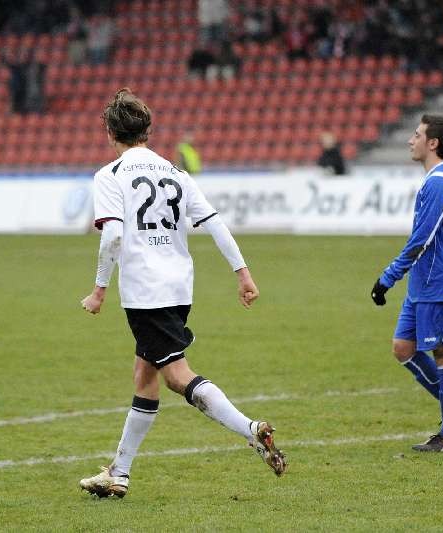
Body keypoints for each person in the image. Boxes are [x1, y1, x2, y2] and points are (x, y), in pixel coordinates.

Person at [78, 89, 287, 498]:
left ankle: (250, 430)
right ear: (148, 130)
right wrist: (242, 273)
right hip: (178, 287)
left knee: (176, 376)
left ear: (109, 131)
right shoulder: (176, 172)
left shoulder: (110, 175)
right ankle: (118, 473)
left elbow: (112, 238)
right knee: (146, 375)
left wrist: (99, 289)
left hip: (145, 292)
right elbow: (215, 224)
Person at [370, 114, 443, 453]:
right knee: (404, 348)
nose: (410, 140)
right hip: (424, 283)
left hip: (442, 282)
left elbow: (422, 239)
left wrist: (388, 277)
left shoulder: (442, 182)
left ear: (433, 143)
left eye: (416, 135)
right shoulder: (436, 180)